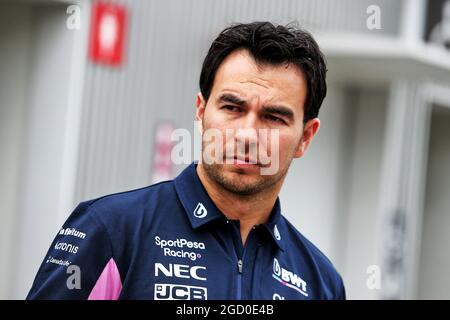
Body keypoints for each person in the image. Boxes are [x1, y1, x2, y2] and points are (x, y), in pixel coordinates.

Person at [27, 21, 345, 300]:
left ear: (305, 137)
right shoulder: (111, 230)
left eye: (273, 117)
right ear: (200, 110)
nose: (248, 135)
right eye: (232, 108)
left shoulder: (321, 282)